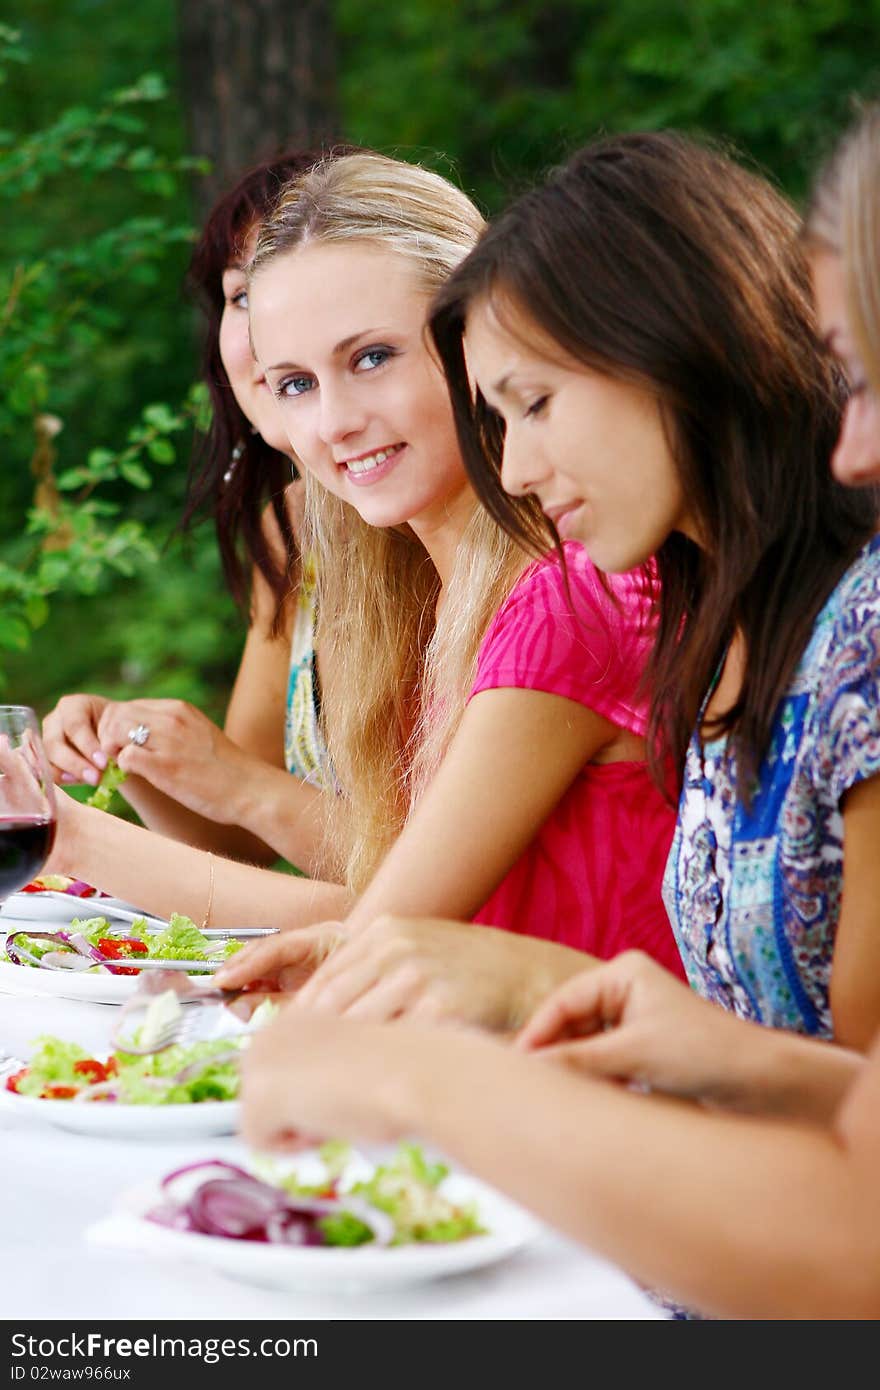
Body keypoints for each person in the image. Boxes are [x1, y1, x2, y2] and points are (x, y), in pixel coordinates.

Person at [237, 116, 880, 1320]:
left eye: (533, 404)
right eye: (498, 416)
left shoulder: (848, 641)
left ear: (674, 347)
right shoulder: (712, 623)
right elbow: (827, 1086)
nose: (517, 467)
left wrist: (434, 1076)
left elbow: (860, 1200)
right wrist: (574, 997)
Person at [44, 153, 681, 1017]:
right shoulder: (412, 590)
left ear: (481, 341)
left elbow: (374, 943)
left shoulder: (573, 595)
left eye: (373, 357)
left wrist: (61, 831)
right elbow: (371, 913)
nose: (333, 423)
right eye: (295, 384)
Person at [41, 150, 340, 876]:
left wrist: (76, 839)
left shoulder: (447, 526)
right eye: (242, 295)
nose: (267, 331)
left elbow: (426, 879)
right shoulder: (293, 524)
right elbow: (246, 836)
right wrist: (136, 752)